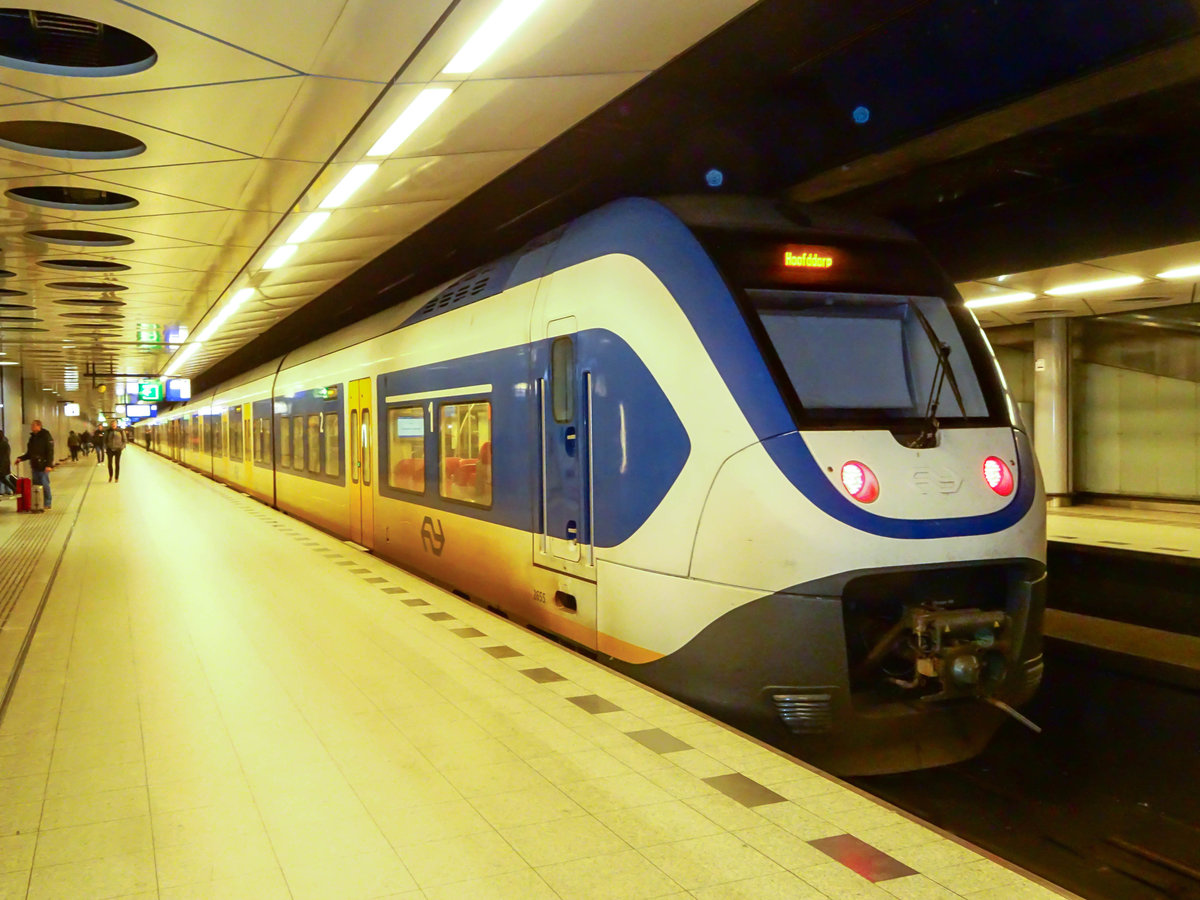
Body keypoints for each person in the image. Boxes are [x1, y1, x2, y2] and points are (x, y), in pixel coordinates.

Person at [15, 420, 54, 510]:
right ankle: (38, 503)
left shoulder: (46, 436)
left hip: (44, 465)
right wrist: (21, 458)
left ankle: (47, 503)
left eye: (33, 425)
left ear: (39, 426)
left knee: (44, 484)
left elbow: (50, 452)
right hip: (35, 465)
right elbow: (29, 453)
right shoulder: (32, 438)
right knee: (36, 485)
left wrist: (49, 465)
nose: (31, 427)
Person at [0, 428, 12, 496]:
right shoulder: (5, 444)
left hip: (3, 464)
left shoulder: (3, 444)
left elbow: (3, 456)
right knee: (5, 478)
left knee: (3, 479)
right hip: (6, 464)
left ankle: (2, 491)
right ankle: (9, 490)